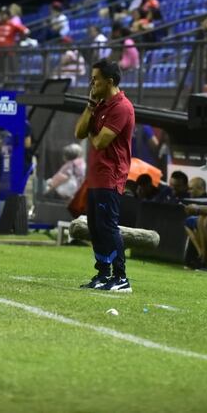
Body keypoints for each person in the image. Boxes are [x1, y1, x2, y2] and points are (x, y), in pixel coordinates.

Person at [74, 60, 135, 292]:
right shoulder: (99, 105)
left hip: (111, 176)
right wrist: (90, 107)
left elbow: (100, 141)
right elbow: (79, 132)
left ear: (109, 82)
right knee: (95, 227)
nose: (91, 83)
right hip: (96, 176)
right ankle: (103, 273)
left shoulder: (121, 107)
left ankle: (121, 278)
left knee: (108, 227)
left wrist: (90, 128)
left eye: (95, 79)